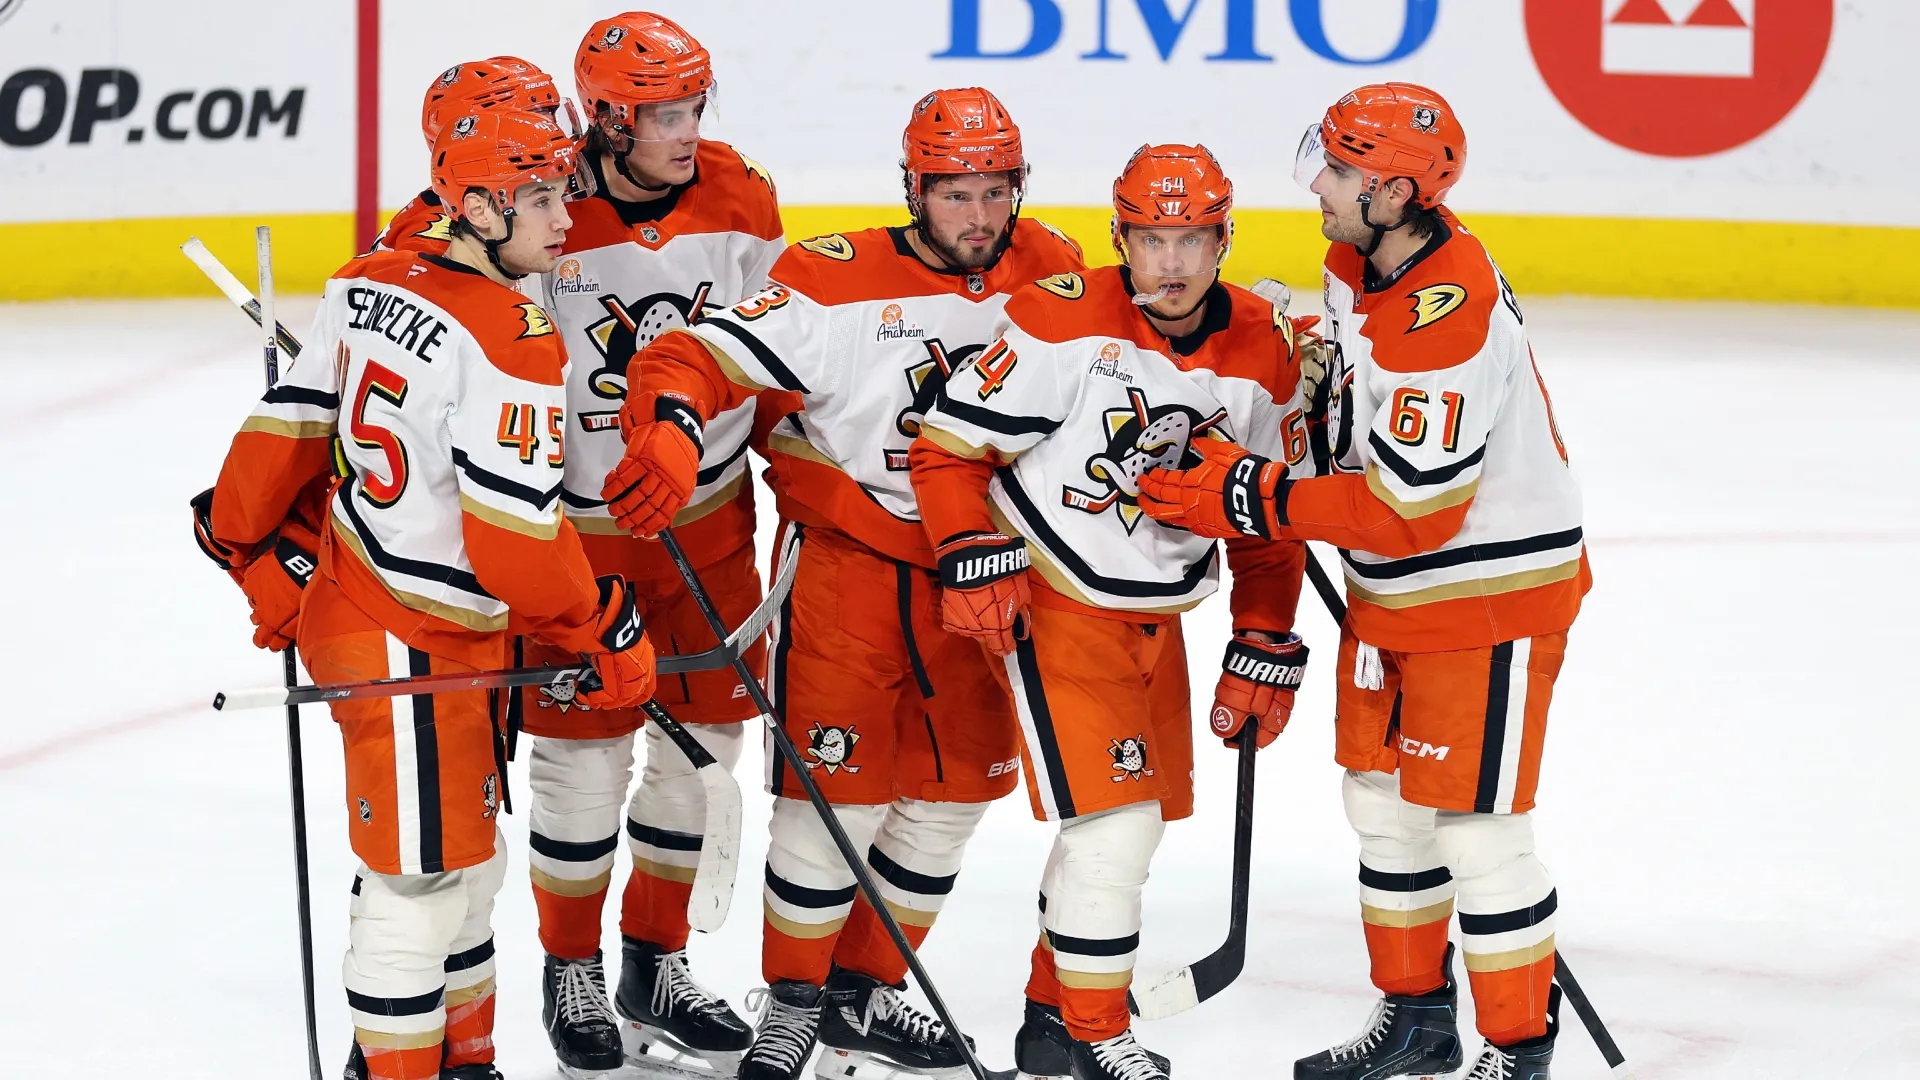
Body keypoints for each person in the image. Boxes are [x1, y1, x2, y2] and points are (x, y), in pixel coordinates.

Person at [603, 87, 1085, 1080]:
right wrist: (670, 422)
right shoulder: (830, 279)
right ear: (914, 187)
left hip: (988, 581)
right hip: (850, 578)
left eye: (998, 192)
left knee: (957, 796)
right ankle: (792, 1004)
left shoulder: (1056, 273)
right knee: (832, 796)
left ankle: (861, 994)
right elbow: (694, 353)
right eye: (957, 193)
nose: (981, 218)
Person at [190, 109, 658, 1080]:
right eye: (537, 197)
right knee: (419, 881)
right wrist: (600, 620)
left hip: (376, 607)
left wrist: (243, 545)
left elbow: (285, 431)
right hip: (419, 637)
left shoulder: (368, 279)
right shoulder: (515, 336)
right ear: (479, 204)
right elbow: (516, 543)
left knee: (453, 858)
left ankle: (465, 1058)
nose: (563, 217)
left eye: (561, 190)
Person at [1136, 83, 1590, 1080]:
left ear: (1394, 193)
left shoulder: (1448, 316)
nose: (1320, 186)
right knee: (1381, 804)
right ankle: (1419, 1020)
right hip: (1399, 593)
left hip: (1484, 596)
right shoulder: (1358, 259)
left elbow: (1406, 507)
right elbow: (1357, 396)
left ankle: (1517, 1049)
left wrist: (1248, 496)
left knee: (1478, 833)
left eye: (1339, 171)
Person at [907, 144, 1313, 1080]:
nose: (1169, 263)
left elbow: (1265, 518)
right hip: (1054, 599)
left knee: (1137, 818)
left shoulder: (1263, 348)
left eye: (1191, 240)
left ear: (1225, 240)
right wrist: (968, 551)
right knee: (1114, 827)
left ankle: (1052, 1025)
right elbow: (946, 449)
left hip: (1156, 612)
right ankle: (1096, 1038)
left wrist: (1261, 630)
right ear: (1119, 238)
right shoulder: (1058, 319)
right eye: (1148, 239)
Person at [519, 12, 787, 1079]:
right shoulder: (544, 199)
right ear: (610, 119)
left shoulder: (741, 196)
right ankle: (569, 965)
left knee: (700, 760)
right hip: (576, 536)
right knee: (580, 767)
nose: (687, 130)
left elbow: (772, 350)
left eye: (694, 108)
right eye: (664, 113)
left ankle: (655, 959)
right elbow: (435, 256)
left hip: (711, 522)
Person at [375, 57, 564, 256]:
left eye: (549, 117)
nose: (552, 132)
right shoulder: (440, 242)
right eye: (535, 122)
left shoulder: (478, 206)